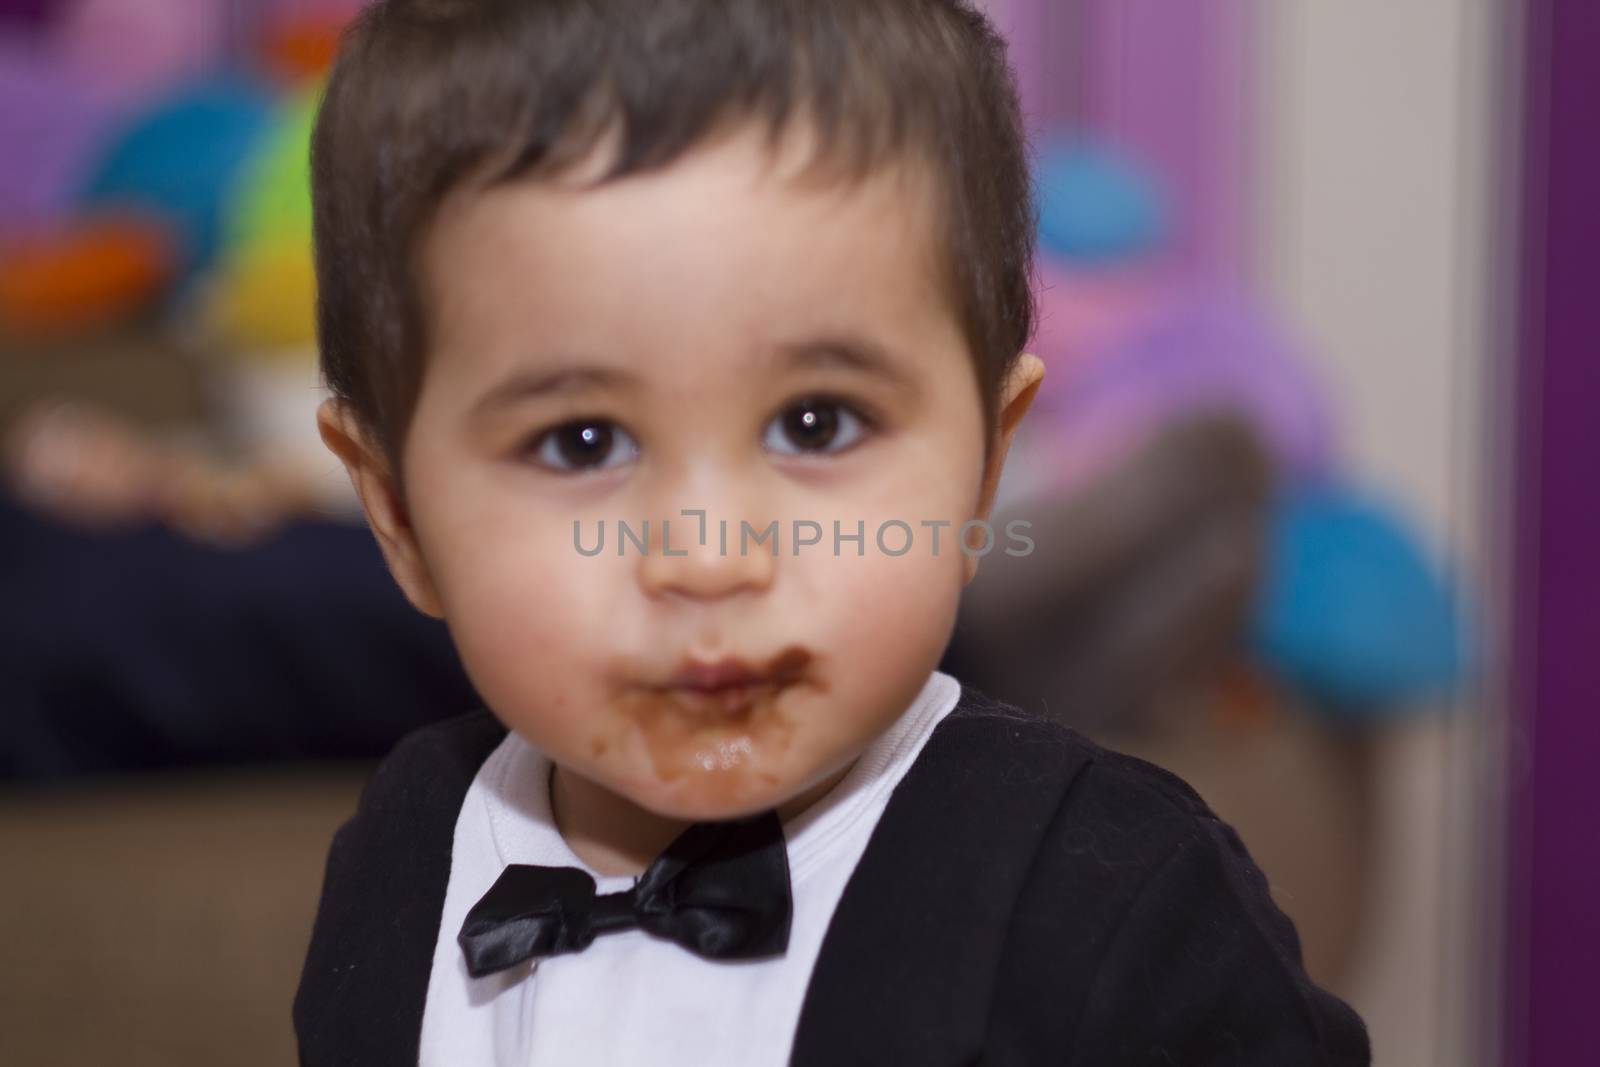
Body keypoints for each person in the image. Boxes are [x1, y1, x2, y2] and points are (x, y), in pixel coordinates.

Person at [294, 1, 1372, 1064]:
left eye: (817, 422)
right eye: (581, 441)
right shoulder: (405, 853)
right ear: (399, 514)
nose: (709, 557)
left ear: (981, 468)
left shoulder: (1119, 893)